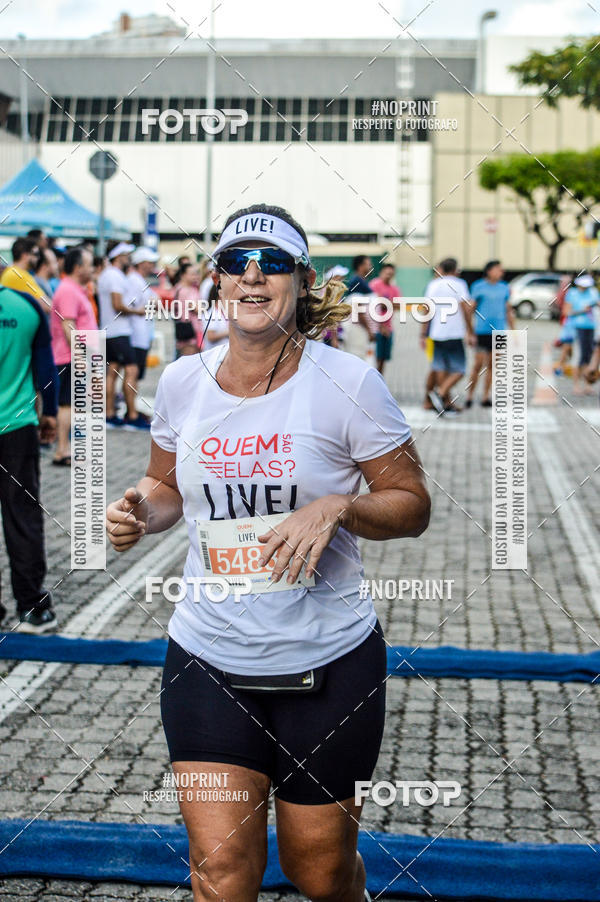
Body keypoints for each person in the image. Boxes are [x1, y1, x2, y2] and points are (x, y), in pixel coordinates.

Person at [106, 203, 430, 902]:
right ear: (218, 280)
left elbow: (412, 504)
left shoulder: (348, 382)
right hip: (208, 654)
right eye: (237, 262)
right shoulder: (182, 381)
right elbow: (166, 488)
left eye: (273, 262)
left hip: (328, 660)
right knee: (221, 869)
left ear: (302, 280)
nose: (253, 276)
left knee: (319, 871)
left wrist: (340, 506)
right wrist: (138, 511)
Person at [0, 280, 58, 632]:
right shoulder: (26, 306)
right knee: (22, 517)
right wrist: (49, 412)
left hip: (17, 427)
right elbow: (46, 367)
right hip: (17, 428)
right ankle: (32, 607)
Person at [50, 246, 97, 466]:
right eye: (89, 265)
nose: (93, 269)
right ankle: (62, 450)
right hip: (69, 356)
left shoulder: (75, 289)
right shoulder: (68, 290)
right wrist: (79, 356)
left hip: (75, 355)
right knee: (68, 404)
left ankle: (68, 449)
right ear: (78, 267)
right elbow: (68, 325)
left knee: (74, 404)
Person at [97, 241, 149, 429]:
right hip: (118, 331)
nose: (129, 258)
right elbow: (117, 305)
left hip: (111, 330)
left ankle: (109, 414)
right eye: (126, 255)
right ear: (118, 256)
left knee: (112, 373)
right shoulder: (114, 275)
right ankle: (132, 416)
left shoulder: (109, 274)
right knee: (131, 371)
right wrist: (138, 311)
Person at [422, 258, 474, 415]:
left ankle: (445, 401)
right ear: (455, 269)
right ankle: (440, 393)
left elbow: (426, 309)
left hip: (437, 332)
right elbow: (465, 308)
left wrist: (423, 333)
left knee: (440, 367)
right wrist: (470, 330)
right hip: (454, 332)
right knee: (459, 369)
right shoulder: (459, 284)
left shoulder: (433, 285)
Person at [465, 260, 514, 408]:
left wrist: (513, 331)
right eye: (498, 269)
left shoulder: (504, 288)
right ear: (489, 271)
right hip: (481, 331)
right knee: (478, 365)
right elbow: (470, 309)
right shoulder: (478, 286)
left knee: (493, 366)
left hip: (499, 331)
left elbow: (508, 310)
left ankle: (486, 396)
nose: (501, 272)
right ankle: (469, 395)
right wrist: (470, 332)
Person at [126, 247, 160, 382]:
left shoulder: (140, 280)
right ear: (141, 263)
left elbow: (156, 303)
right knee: (133, 373)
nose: (152, 265)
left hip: (143, 333)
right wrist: (150, 307)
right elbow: (130, 306)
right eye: (149, 262)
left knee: (137, 374)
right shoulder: (134, 280)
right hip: (136, 334)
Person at [563, 273, 598, 395]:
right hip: (577, 328)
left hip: (591, 328)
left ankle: (587, 385)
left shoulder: (593, 292)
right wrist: (582, 311)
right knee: (578, 357)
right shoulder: (572, 293)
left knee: (588, 357)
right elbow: (566, 312)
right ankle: (576, 385)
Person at [369, 262, 401, 376]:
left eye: (391, 274)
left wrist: (384, 303)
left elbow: (398, 305)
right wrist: (381, 326)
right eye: (387, 273)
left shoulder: (394, 289)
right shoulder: (374, 285)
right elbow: (373, 305)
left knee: (383, 358)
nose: (389, 276)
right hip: (376, 328)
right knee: (373, 358)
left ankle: (379, 380)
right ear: (381, 272)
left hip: (388, 329)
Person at [1, 237, 48, 314]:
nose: (38, 258)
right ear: (25, 255)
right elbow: (47, 306)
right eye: (36, 254)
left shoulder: (10, 271)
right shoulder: (20, 275)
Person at [172, 262, 202, 357]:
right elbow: (197, 309)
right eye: (192, 274)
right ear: (183, 275)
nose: (195, 276)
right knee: (191, 360)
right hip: (190, 332)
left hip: (188, 330)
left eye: (196, 274)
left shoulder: (180, 288)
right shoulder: (185, 290)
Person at [347, 254, 376, 345]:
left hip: (361, 330)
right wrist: (369, 330)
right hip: (358, 330)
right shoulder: (357, 282)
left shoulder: (362, 281)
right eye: (369, 264)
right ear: (361, 266)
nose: (371, 267)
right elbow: (358, 308)